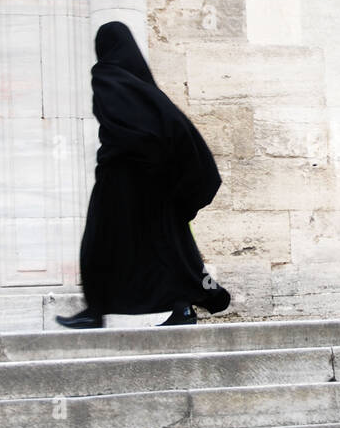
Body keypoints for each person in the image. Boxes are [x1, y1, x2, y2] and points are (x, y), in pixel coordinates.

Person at [57, 21, 230, 329]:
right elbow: (170, 132)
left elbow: (120, 131)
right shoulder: (146, 88)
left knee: (100, 244)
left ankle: (96, 310)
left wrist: (112, 161)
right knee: (166, 246)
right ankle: (188, 305)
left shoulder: (106, 76)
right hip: (156, 183)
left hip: (120, 181)